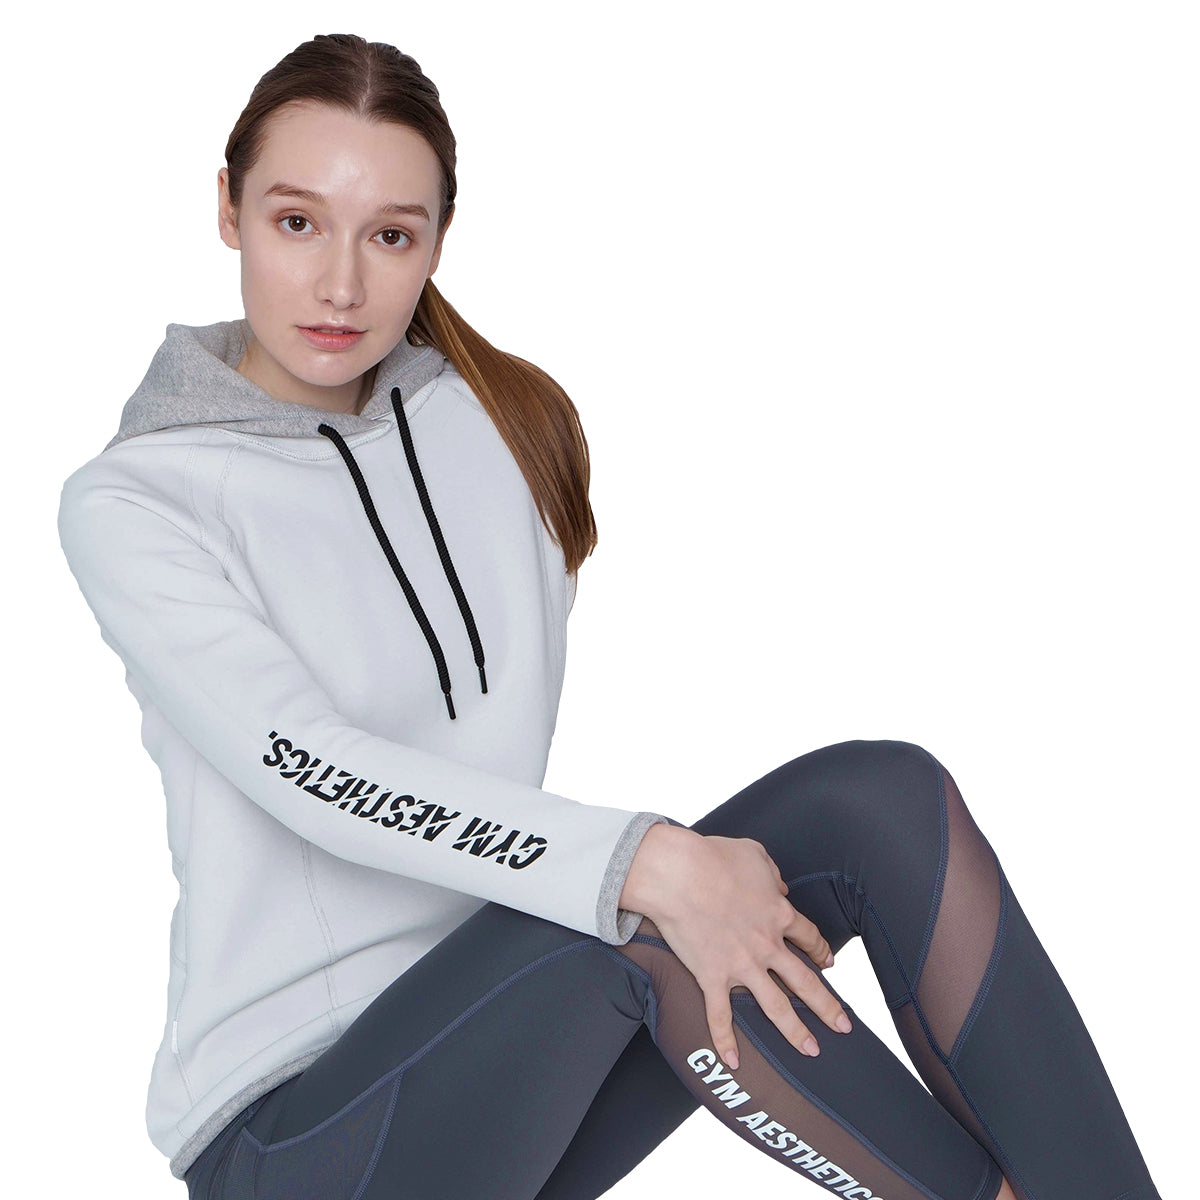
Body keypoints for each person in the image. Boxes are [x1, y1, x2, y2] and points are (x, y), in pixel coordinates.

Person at [56, 32, 1162, 1200]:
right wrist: (643, 862)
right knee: (634, 913)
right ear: (227, 209)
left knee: (875, 802)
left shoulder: (501, 427)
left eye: (390, 235)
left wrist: (641, 872)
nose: (341, 284)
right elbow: (310, 768)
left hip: (529, 1056)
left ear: (438, 238)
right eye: (297, 222)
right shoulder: (138, 501)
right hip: (298, 1134)